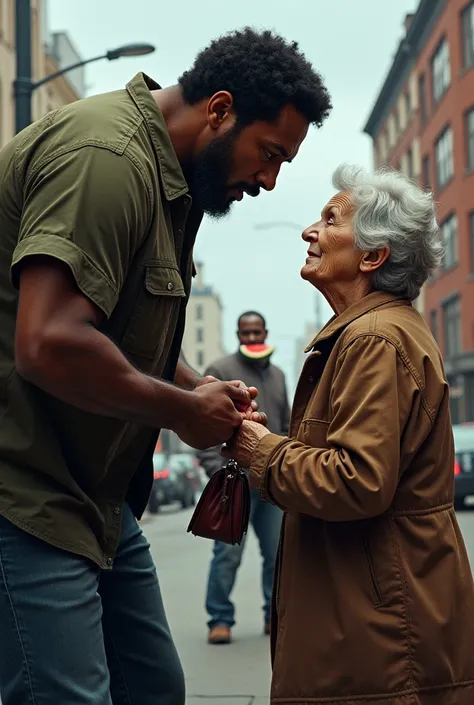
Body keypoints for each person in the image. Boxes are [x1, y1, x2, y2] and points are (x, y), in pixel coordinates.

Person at [0, 28, 332, 705]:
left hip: (95, 494)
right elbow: (49, 340)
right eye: (269, 155)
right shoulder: (108, 158)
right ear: (219, 109)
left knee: (153, 686)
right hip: (25, 493)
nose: (269, 183)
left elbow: (116, 327)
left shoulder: (171, 177)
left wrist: (194, 383)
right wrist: (185, 412)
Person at [225, 165, 474, 705]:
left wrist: (258, 449)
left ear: (372, 256)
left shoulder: (374, 339)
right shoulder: (372, 333)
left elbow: (356, 481)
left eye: (329, 220)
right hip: (374, 627)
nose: (310, 232)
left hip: (378, 642)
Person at [198, 312, 289, 644]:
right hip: (232, 482)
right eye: (245, 333)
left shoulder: (279, 375)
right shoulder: (219, 370)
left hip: (271, 484)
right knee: (227, 555)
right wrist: (217, 471)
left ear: (265, 332)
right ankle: (219, 620)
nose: (252, 338)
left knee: (277, 552)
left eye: (257, 332)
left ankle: (272, 616)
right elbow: (202, 425)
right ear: (237, 335)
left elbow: (287, 425)